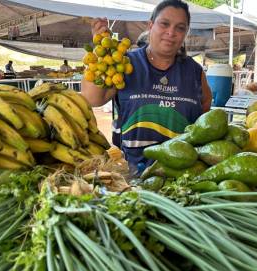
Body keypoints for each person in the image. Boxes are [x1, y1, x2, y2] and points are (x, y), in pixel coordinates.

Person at [83, 0, 212, 173]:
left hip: (183, 174)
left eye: (180, 28)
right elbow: (93, 98)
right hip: (133, 174)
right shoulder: (125, 63)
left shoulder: (194, 70)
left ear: (185, 33)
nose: (171, 32)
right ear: (150, 25)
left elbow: (206, 103)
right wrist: (100, 49)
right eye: (164, 24)